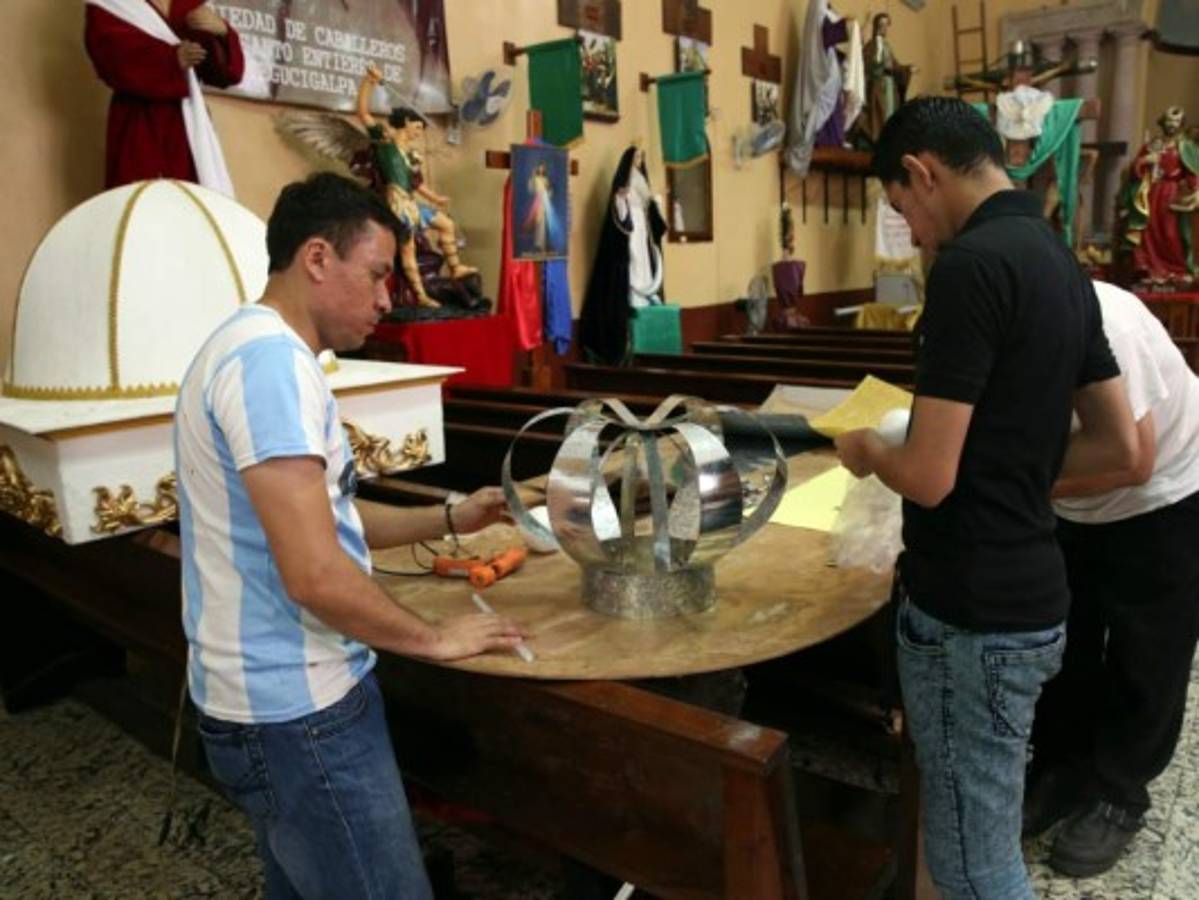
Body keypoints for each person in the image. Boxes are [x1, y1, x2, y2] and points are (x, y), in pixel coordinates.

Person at [174, 172, 526, 899]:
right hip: (299, 712)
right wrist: (435, 639)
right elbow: (313, 573)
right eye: (375, 273)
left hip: (265, 703)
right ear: (316, 257)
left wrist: (454, 516)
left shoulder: (248, 346)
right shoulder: (270, 365)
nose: (386, 298)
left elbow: (331, 519)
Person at [834, 96, 1137, 899]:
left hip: (969, 612)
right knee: (971, 830)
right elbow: (1119, 445)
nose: (913, 233)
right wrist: (1009, 474)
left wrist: (866, 450)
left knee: (977, 864)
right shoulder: (1056, 260)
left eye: (902, 208)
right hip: (1032, 594)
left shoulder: (969, 267)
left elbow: (928, 475)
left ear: (920, 172)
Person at [1024, 280, 1199, 877]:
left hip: (1166, 490)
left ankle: (1119, 791)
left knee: (1147, 647)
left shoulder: (1106, 323)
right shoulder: (989, 318)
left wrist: (1011, 485)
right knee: (1062, 636)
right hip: (1070, 496)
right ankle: (1062, 766)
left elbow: (1132, 458)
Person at [85, 0, 243, 192]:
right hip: (138, 120)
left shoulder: (189, 4)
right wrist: (170, 59)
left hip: (188, 123)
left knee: (190, 197)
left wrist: (223, 32)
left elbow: (223, 74)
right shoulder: (111, 3)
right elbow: (110, 58)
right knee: (140, 196)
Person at [356, 65, 478, 307]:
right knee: (408, 248)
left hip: (411, 203)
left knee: (446, 224)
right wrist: (368, 82)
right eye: (418, 127)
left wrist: (435, 199)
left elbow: (416, 183)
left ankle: (455, 267)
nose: (419, 133)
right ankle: (421, 295)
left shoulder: (410, 155)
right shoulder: (386, 144)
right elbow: (363, 112)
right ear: (406, 122)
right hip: (396, 204)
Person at [578, 146, 669, 365]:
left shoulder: (643, 191)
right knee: (634, 268)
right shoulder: (623, 192)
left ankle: (645, 299)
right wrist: (620, 199)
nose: (638, 161)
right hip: (630, 244)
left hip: (643, 242)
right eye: (635, 157)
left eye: (641, 158)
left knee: (644, 267)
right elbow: (619, 223)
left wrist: (656, 204)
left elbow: (656, 227)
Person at [1119, 106, 1199, 285]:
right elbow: (1135, 169)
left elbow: (1193, 172)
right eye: (1169, 121)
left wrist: (1196, 190)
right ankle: (1149, 269)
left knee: (1170, 233)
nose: (1172, 125)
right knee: (1148, 231)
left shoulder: (1185, 146)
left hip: (1172, 193)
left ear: (1181, 124)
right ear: (1163, 122)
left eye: (1176, 121)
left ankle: (1176, 269)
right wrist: (1145, 160)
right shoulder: (1153, 144)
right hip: (1151, 193)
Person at [860, 13, 912, 144]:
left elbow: (895, 66)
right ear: (876, 26)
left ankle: (888, 141)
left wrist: (907, 69)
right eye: (882, 25)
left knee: (890, 115)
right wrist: (878, 68)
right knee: (879, 115)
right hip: (879, 87)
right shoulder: (871, 45)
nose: (884, 28)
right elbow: (868, 65)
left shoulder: (887, 46)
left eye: (886, 25)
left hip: (889, 87)